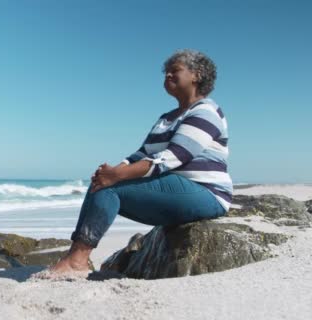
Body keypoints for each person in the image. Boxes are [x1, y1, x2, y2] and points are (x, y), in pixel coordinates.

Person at [34, 49, 232, 279]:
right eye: (165, 72)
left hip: (206, 193)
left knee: (112, 185)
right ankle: (77, 258)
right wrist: (114, 170)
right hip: (173, 188)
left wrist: (117, 176)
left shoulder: (206, 111)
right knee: (102, 183)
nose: (167, 75)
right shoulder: (166, 118)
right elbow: (142, 154)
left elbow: (173, 157)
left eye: (174, 70)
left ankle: (77, 260)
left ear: (197, 75)